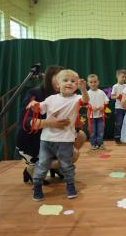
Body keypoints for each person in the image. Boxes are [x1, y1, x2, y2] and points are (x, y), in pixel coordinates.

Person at [16, 65, 86, 185]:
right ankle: (32, 167)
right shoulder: (35, 93)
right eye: (63, 78)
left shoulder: (66, 97)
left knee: (80, 136)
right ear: (50, 78)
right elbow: (27, 123)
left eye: (70, 80)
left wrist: (75, 123)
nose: (67, 82)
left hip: (53, 136)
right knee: (73, 155)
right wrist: (50, 123)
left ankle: (56, 166)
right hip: (32, 141)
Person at [27, 69, 89, 201]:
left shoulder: (77, 98)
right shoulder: (50, 99)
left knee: (66, 164)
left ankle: (70, 186)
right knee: (43, 164)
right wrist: (34, 105)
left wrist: (83, 89)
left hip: (65, 140)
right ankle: (37, 185)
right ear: (57, 85)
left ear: (77, 85)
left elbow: (85, 100)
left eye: (73, 81)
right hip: (46, 139)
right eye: (65, 80)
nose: (69, 83)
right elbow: (39, 108)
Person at [87, 74, 109, 150]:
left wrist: (103, 107)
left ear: (98, 82)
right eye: (91, 82)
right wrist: (90, 107)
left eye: (95, 82)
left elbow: (106, 101)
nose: (93, 84)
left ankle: (100, 144)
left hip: (100, 116)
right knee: (92, 131)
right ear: (88, 83)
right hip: (91, 116)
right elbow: (84, 103)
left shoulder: (101, 92)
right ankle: (93, 144)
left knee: (100, 131)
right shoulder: (87, 93)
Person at [111, 69, 126, 144]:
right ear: (117, 76)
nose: (124, 79)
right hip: (118, 108)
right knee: (119, 123)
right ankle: (117, 137)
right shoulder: (115, 86)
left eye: (125, 77)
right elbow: (112, 97)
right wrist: (118, 96)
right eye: (122, 77)